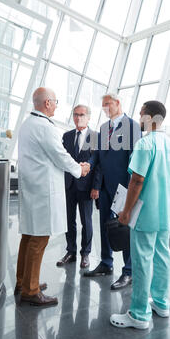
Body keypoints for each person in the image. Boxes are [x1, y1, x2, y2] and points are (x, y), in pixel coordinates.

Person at [15, 87, 90, 307]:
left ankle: (24, 281)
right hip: (42, 193)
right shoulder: (45, 127)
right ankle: (30, 290)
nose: (57, 105)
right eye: (55, 101)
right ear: (47, 103)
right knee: (39, 239)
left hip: (32, 189)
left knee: (28, 237)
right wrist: (80, 170)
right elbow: (60, 156)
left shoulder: (28, 124)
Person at [109, 100, 170, 329]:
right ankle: (161, 303)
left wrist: (126, 211)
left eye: (141, 114)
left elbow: (137, 180)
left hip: (145, 214)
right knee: (162, 257)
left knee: (142, 261)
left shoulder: (145, 144)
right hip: (165, 213)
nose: (139, 118)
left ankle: (139, 314)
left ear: (149, 117)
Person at [84, 93, 141, 290]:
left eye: (108, 104)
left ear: (118, 103)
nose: (105, 108)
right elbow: (98, 156)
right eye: (103, 106)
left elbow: (134, 159)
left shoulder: (132, 126)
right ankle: (106, 263)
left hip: (123, 187)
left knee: (123, 227)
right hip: (106, 187)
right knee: (105, 226)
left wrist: (129, 191)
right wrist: (88, 165)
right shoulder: (103, 128)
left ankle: (129, 271)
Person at [56, 104, 102, 269]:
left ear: (89, 117)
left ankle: (86, 253)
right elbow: (62, 160)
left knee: (86, 221)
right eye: (75, 114)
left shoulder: (96, 137)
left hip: (87, 187)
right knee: (69, 220)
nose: (78, 117)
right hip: (68, 185)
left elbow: (98, 165)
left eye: (82, 115)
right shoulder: (67, 136)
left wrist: (96, 187)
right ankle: (71, 252)